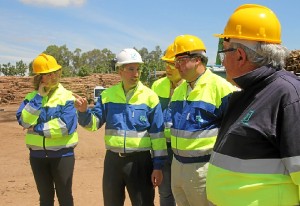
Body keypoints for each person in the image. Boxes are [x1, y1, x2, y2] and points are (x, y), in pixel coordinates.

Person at [206, 4, 300, 206]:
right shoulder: (252, 92)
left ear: (240, 55)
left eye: (224, 53)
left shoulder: (288, 95)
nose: (222, 62)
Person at [74, 48, 167, 206]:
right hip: (113, 162)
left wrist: (157, 166)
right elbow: (94, 123)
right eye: (131, 69)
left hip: (140, 162)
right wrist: (83, 113)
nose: (136, 74)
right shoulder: (107, 96)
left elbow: (157, 135)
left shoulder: (150, 97)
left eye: (138, 69)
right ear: (120, 71)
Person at [169, 34, 235, 206]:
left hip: (202, 168)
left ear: (198, 59)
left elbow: (234, 133)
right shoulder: (179, 90)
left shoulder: (221, 88)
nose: (177, 66)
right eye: (176, 61)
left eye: (181, 60)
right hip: (177, 165)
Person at [16, 53, 78, 206]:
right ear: (39, 77)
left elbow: (65, 127)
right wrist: (38, 98)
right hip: (37, 157)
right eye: (48, 74)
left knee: (65, 197)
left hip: (63, 155)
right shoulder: (31, 98)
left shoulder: (67, 97)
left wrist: (36, 127)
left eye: (55, 72)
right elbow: (24, 121)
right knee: (45, 198)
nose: (53, 76)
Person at [151, 44, 182, 206]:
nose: (168, 68)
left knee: (184, 192)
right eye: (166, 64)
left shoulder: (191, 86)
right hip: (162, 148)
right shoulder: (157, 86)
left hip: (183, 150)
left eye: (172, 64)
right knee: (165, 192)